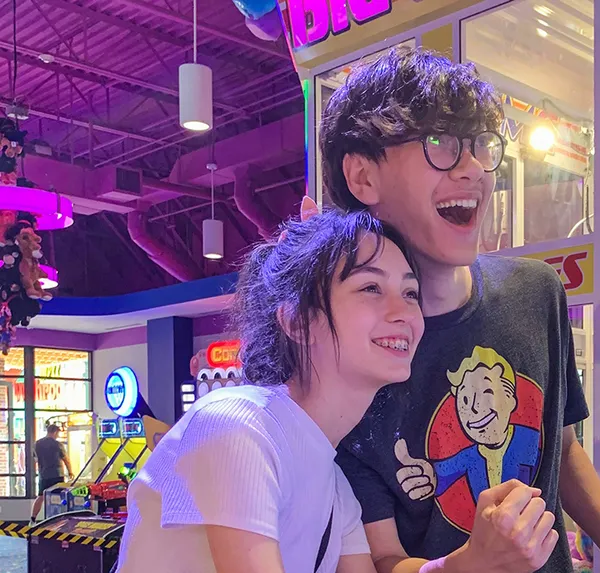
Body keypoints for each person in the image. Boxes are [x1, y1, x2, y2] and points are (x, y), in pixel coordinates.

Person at [322, 48, 600, 573]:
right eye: (440, 144)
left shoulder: (536, 291)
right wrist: (474, 561)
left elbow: (561, 451)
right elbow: (378, 560)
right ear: (363, 178)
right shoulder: (350, 357)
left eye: (479, 145)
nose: (473, 169)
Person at [116, 200, 424, 573]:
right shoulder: (238, 425)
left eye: (410, 293)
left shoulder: (335, 485)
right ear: (297, 322)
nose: (404, 313)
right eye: (371, 287)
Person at [31, 424, 72, 521]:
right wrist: (70, 472)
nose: (57, 436)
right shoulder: (57, 444)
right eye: (57, 433)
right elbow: (65, 459)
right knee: (59, 496)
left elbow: (35, 459)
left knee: (40, 497)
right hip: (57, 475)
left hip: (44, 475)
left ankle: (33, 518)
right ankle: (59, 518)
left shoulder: (37, 444)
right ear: (55, 432)